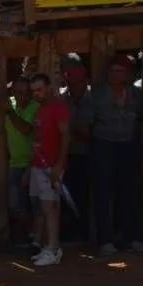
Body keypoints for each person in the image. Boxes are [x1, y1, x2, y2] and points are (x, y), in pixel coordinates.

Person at [87, 54, 143, 256]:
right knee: (103, 194)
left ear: (128, 74)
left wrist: (141, 148)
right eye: (112, 71)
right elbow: (85, 124)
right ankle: (105, 240)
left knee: (130, 193)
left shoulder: (136, 95)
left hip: (129, 147)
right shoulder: (97, 94)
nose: (114, 75)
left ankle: (131, 238)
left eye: (119, 71)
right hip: (103, 146)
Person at [28, 73, 70, 266]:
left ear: (49, 88)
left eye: (39, 90)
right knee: (43, 207)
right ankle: (48, 246)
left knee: (49, 206)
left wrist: (59, 164)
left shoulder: (58, 108)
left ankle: (53, 249)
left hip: (51, 166)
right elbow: (38, 136)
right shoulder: (39, 110)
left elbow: (65, 136)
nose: (36, 94)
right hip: (39, 165)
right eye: (34, 91)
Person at [4, 75, 39, 247]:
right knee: (16, 206)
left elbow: (25, 128)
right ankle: (31, 236)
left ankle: (36, 238)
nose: (22, 97)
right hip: (14, 163)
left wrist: (9, 111)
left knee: (33, 205)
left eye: (26, 93)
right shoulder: (10, 103)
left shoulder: (35, 107)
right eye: (18, 92)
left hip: (31, 163)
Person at [60, 64, 93, 243]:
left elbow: (91, 131)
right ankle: (70, 234)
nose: (74, 86)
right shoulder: (62, 99)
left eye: (77, 82)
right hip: (68, 155)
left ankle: (87, 233)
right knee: (67, 195)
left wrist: (77, 133)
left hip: (90, 155)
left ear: (85, 81)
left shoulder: (93, 98)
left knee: (87, 195)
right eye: (70, 83)